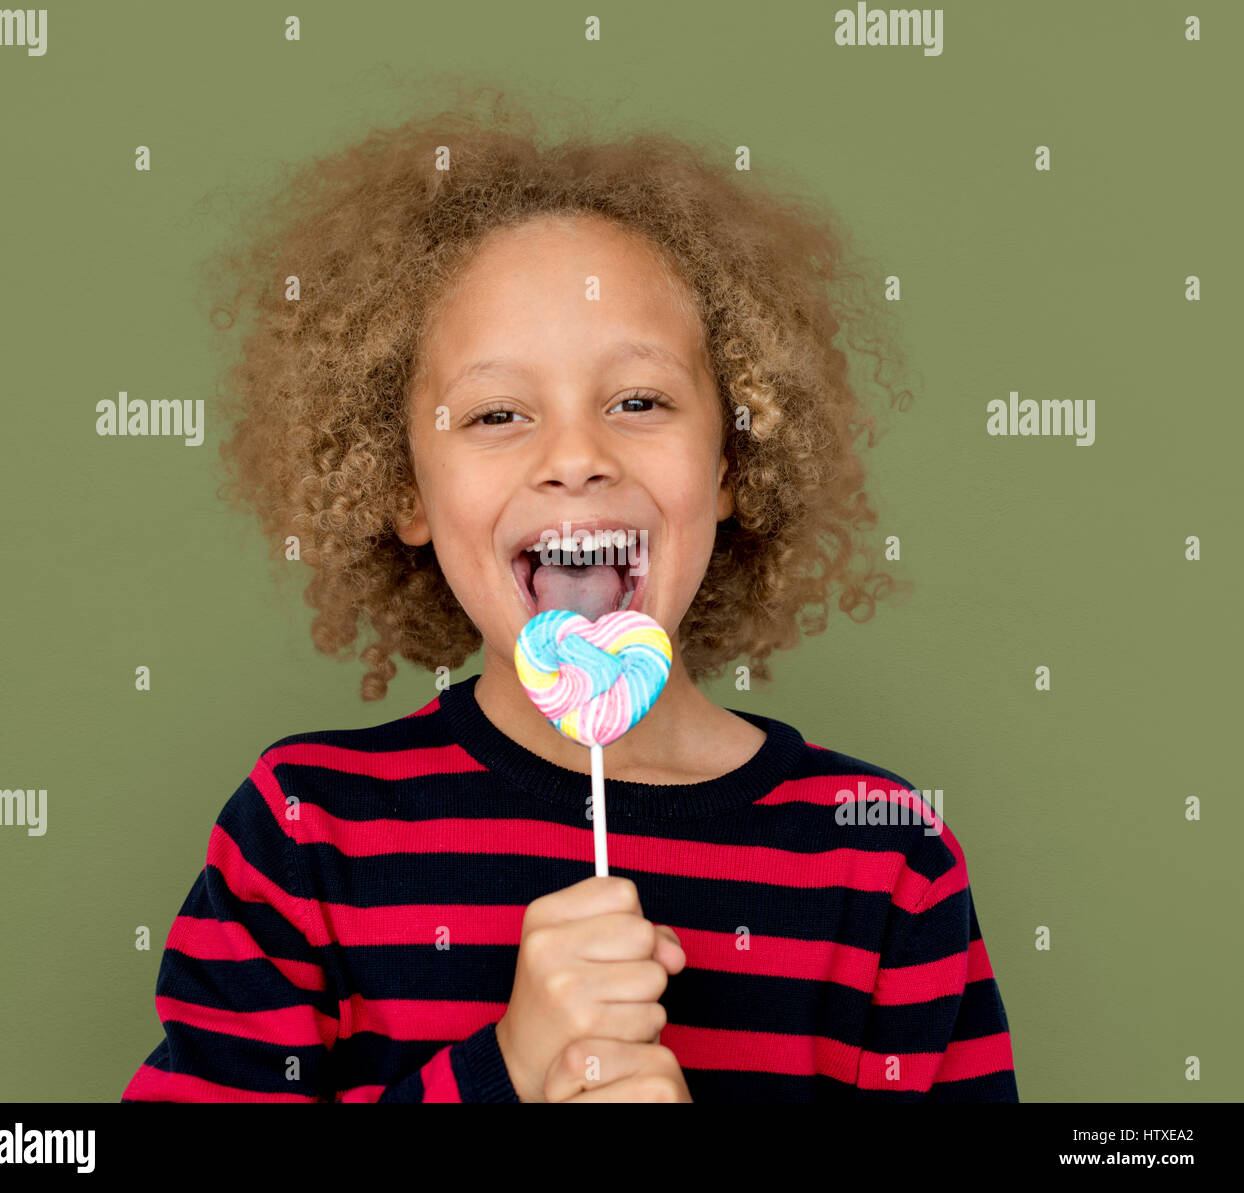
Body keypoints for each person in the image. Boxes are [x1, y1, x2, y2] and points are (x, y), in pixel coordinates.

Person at [123, 84, 1017, 1103]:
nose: (576, 456)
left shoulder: (882, 853)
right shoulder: (306, 833)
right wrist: (504, 1069)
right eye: (498, 411)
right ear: (404, 487)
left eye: (638, 400)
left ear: (730, 459)